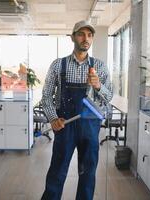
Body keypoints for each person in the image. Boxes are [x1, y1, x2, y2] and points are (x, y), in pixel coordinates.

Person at [41, 20, 113, 200]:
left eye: (89, 35)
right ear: (73, 37)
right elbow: (46, 96)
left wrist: (98, 86)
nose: (85, 38)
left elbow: (109, 97)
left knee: (87, 173)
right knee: (57, 172)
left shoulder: (100, 67)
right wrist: (52, 119)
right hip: (65, 126)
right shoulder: (58, 65)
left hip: (90, 127)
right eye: (81, 34)